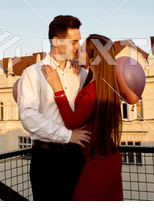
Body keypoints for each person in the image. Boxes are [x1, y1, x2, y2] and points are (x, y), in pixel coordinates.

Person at [41, 34, 123, 201]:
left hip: (98, 162)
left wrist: (57, 87)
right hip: (109, 156)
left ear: (93, 58)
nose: (78, 50)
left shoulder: (92, 91)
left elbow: (72, 123)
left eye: (84, 49)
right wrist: (79, 65)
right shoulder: (104, 83)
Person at [18, 15, 91, 201]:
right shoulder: (33, 73)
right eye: (73, 42)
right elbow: (28, 117)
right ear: (56, 41)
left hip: (76, 157)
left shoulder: (80, 73)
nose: (78, 47)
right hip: (46, 159)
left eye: (78, 42)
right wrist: (68, 135)